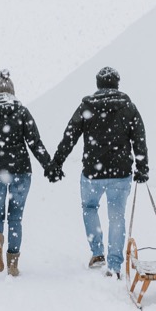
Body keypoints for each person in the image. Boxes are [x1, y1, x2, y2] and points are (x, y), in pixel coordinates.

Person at [50, 66, 149, 278]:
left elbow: (70, 135)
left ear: (98, 84)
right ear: (117, 84)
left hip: (92, 174)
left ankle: (97, 254)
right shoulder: (128, 107)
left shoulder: (87, 106)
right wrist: (142, 167)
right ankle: (114, 265)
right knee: (116, 216)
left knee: (89, 207)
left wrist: (57, 162)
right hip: (121, 173)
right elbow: (139, 137)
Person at [0, 70, 56, 276]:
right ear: (12, 91)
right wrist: (49, 166)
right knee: (15, 217)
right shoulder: (21, 111)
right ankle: (13, 263)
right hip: (20, 171)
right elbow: (35, 143)